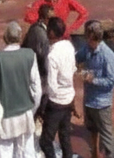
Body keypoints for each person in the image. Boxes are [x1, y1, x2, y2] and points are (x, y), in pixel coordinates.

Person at [0, 21, 40, 158]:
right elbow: (37, 88)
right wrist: (32, 109)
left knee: (3, 152)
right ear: (20, 37)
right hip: (26, 113)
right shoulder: (30, 55)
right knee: (27, 151)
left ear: (5, 38)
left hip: (5, 116)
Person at [76, 21, 114, 158]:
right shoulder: (87, 48)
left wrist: (93, 80)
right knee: (92, 130)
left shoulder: (108, 55)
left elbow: (113, 80)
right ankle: (95, 154)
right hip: (89, 100)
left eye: (86, 36)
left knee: (107, 137)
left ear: (92, 37)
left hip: (102, 103)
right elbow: (77, 57)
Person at [38, 18, 75, 158]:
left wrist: (44, 103)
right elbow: (73, 68)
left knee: (45, 141)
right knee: (65, 136)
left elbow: (52, 85)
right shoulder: (69, 47)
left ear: (52, 33)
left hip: (57, 102)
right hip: (68, 97)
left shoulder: (52, 55)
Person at [21, 0, 87, 38]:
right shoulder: (40, 3)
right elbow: (29, 18)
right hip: (47, 36)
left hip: (63, 35)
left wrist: (71, 28)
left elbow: (84, 13)